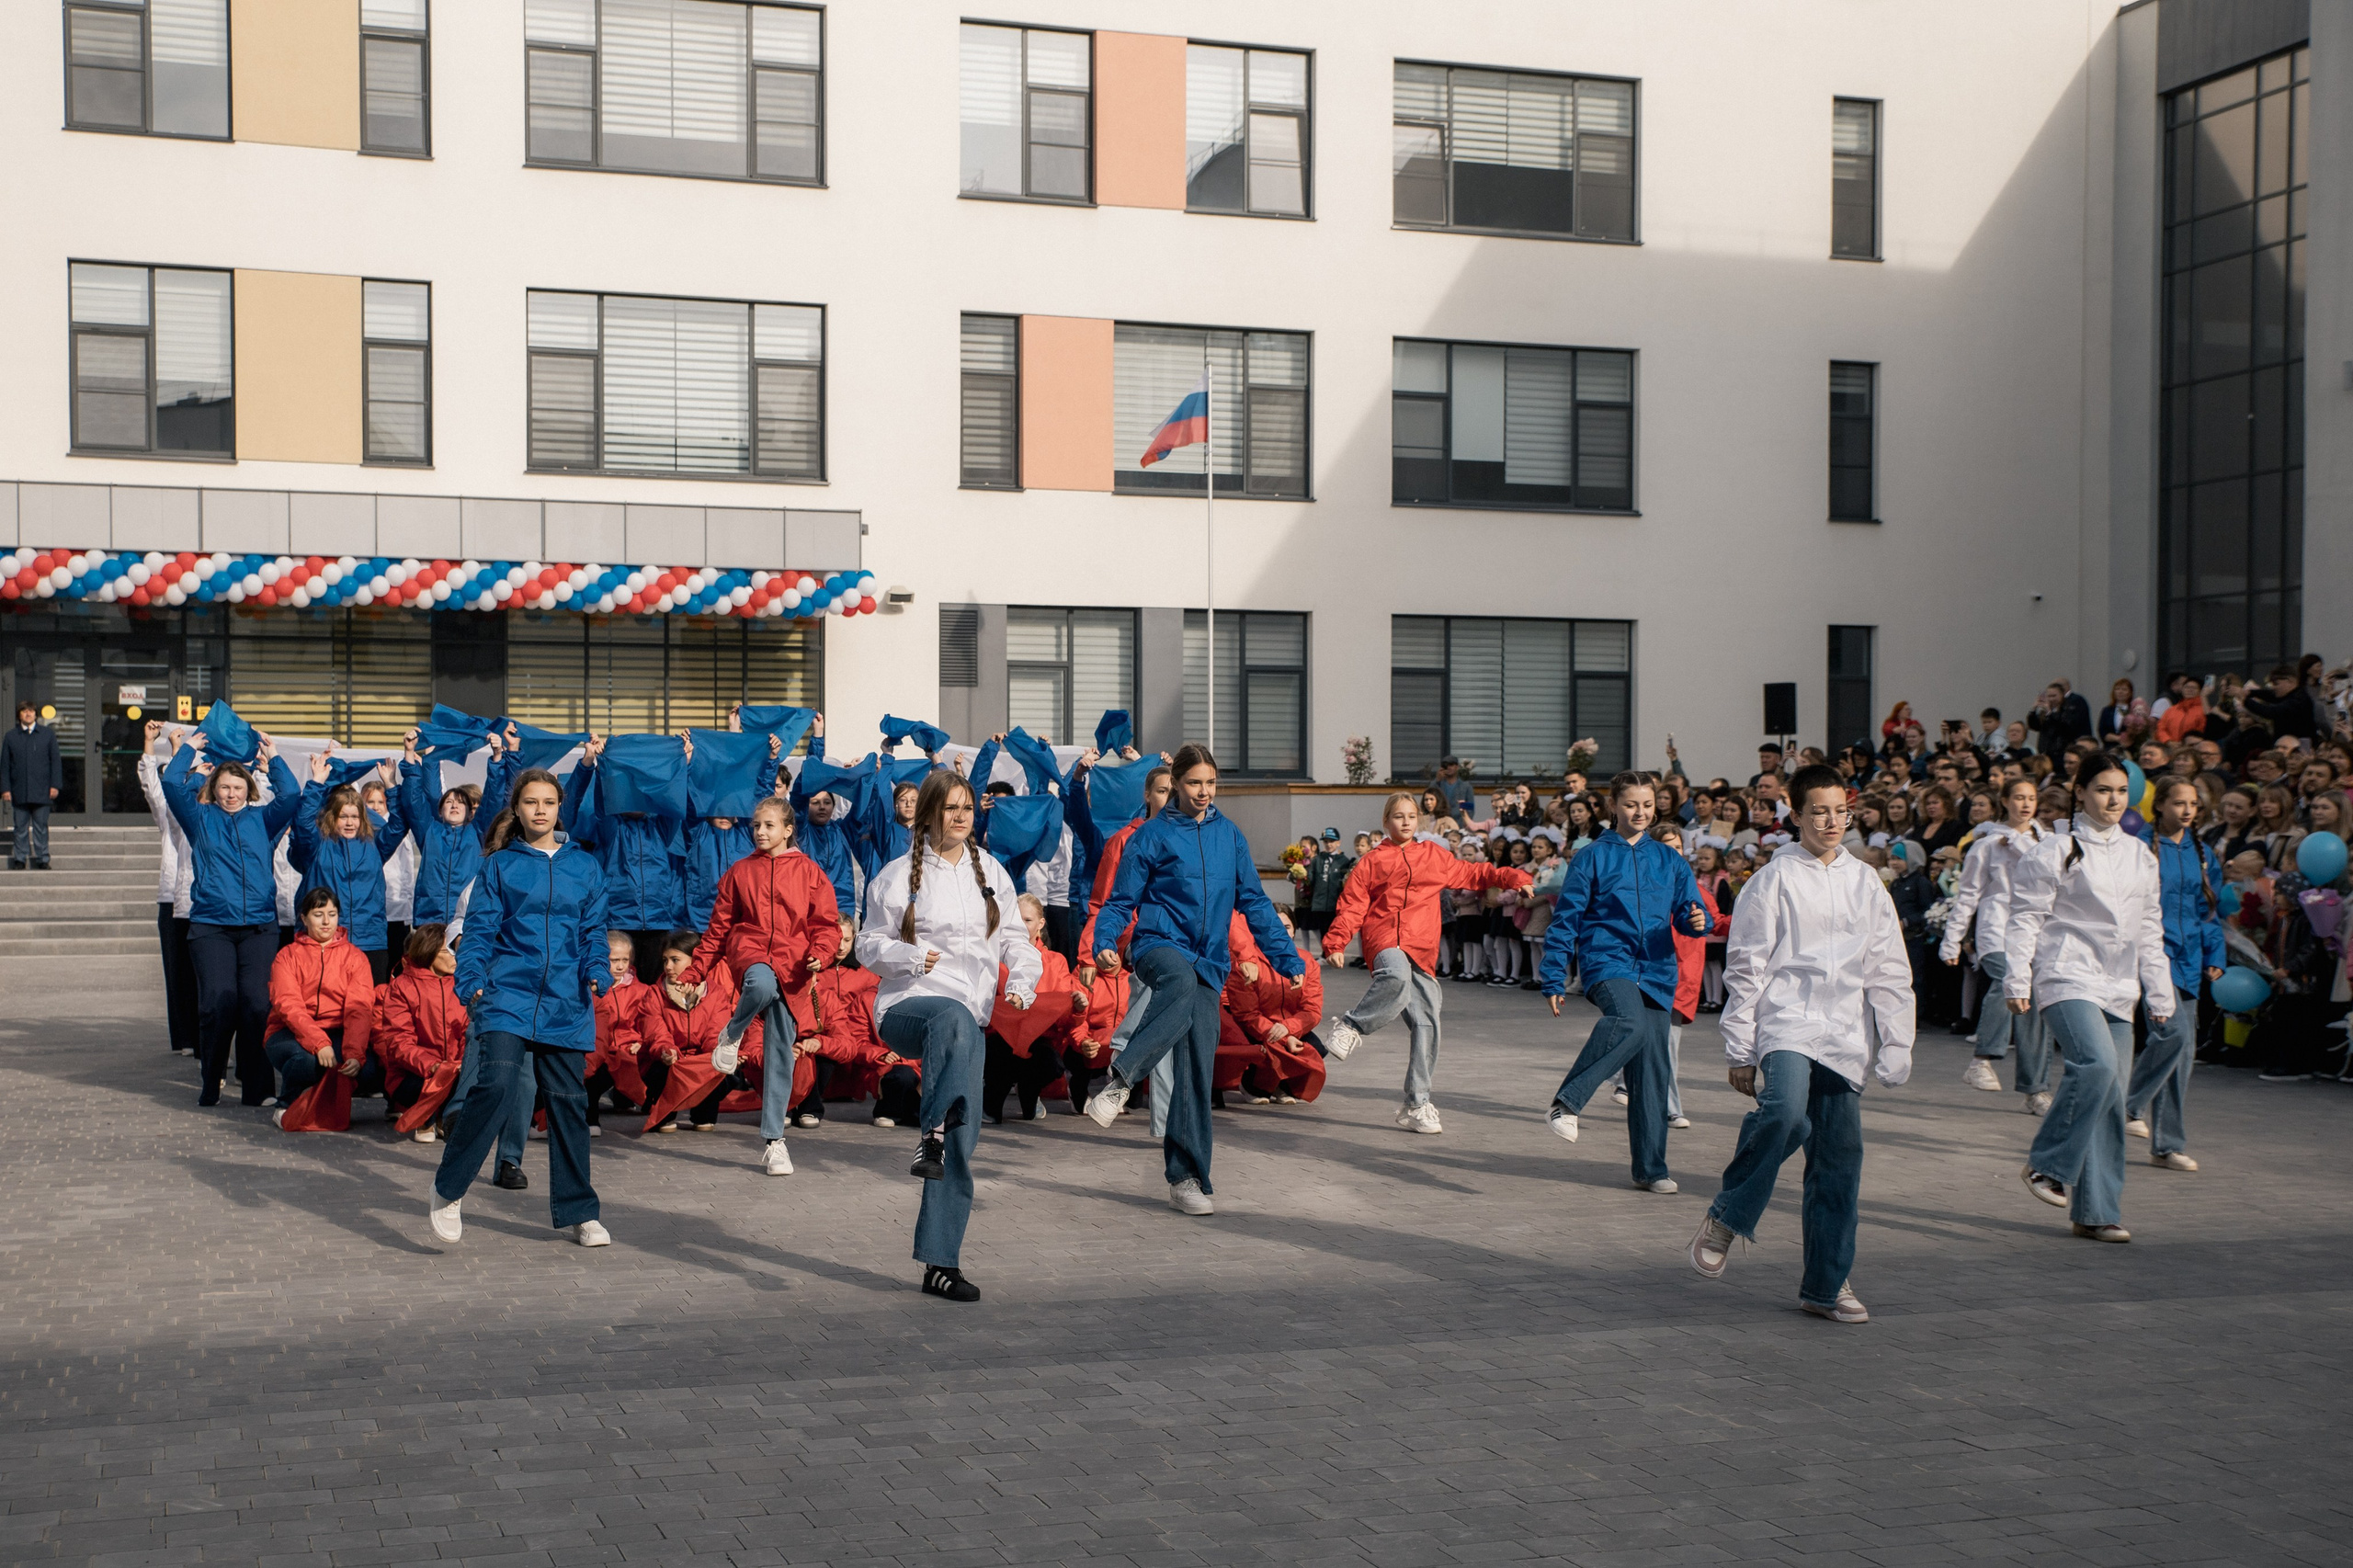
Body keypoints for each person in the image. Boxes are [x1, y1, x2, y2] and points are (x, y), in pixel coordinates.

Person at [1688, 765, 1915, 1324]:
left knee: (1839, 1164)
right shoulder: (1774, 879)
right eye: (1820, 811)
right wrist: (1740, 1045)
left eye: (1841, 810)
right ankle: (1728, 1215)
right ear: (1798, 815)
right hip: (1786, 1022)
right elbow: (1746, 964)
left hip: (1843, 1033)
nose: (1833, 821)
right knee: (1786, 1112)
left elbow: (1888, 965)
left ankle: (1825, 1285)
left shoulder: (1865, 882)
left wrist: (1897, 1039)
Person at [1081, 744, 1304, 1218]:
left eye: (1211, 783)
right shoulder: (1152, 836)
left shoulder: (1230, 836)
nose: (1203, 792)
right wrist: (1103, 941)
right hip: (1157, 946)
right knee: (1177, 982)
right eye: (1194, 783)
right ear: (1176, 785)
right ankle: (1122, 1079)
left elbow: (1255, 903)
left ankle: (1186, 1179)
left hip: (1210, 963)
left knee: (1196, 1069)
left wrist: (1285, 956)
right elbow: (1119, 902)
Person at [856, 768, 1040, 1302]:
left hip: (966, 1030)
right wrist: (911, 956)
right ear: (931, 812)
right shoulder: (895, 876)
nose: (961, 816)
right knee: (953, 1017)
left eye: (967, 808)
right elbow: (866, 944)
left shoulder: (991, 874)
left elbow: (1014, 940)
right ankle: (930, 1129)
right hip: (908, 1008)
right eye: (950, 808)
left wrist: (1024, 982)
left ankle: (941, 1263)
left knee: (960, 1146)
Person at [428, 768, 612, 1248]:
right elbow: (481, 931)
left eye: (548, 803)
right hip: (507, 993)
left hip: (564, 1001)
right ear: (518, 809)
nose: (540, 811)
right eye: (531, 802)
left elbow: (593, 931)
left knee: (570, 1104)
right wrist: (469, 979)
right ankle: (448, 1190)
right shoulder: (498, 866)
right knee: (497, 1084)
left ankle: (580, 1211)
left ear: (559, 807)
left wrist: (598, 968)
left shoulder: (585, 867)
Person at [2006, 753, 2174, 1244]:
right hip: (2066, 975)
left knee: (2110, 1097)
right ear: (2080, 791)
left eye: (2121, 791)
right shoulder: (2055, 848)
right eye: (2103, 789)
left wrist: (2159, 992)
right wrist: (2018, 978)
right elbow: (2025, 918)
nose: (2113, 800)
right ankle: (2048, 1165)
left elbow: (2149, 929)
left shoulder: (2140, 855)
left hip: (2119, 988)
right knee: (2096, 1067)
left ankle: (2096, 1212)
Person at [1538, 770, 1711, 1194]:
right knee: (1628, 1022)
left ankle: (1651, 1169)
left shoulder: (1671, 860)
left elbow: (1689, 917)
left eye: (1648, 805)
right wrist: (1554, 975)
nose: (1641, 812)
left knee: (1652, 1068)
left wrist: (1696, 922)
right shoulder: (1592, 856)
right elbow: (1567, 919)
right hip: (1606, 960)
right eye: (1632, 804)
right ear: (1613, 805)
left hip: (1656, 969)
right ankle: (1566, 1103)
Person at [1320, 790, 1530, 1133]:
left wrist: (1512, 877)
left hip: (1423, 945)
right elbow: (1353, 903)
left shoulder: (1434, 855)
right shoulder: (1372, 861)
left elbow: (1474, 874)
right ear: (1386, 822)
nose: (1405, 822)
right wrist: (1337, 941)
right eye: (1398, 816)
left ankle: (1417, 1103)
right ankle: (1351, 1026)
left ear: (1418, 821)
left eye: (1411, 816)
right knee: (1397, 978)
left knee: (1427, 1025)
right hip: (1385, 937)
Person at [681, 795, 841, 1173]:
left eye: (769, 825)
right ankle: (733, 1032)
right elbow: (718, 931)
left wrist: (822, 951)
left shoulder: (810, 872)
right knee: (760, 983)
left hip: (797, 966)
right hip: (751, 953)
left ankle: (775, 1141)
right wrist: (695, 972)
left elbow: (826, 924)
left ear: (788, 830)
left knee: (780, 1054)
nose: (760, 832)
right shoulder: (739, 871)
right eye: (756, 825)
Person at [164, 729, 303, 1107]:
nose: (231, 793)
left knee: (258, 1006)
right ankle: (211, 1080)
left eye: (237, 787)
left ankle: (258, 1090)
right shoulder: (199, 818)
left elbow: (291, 795)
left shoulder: (264, 820)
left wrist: (273, 756)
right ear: (213, 790)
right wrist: (189, 748)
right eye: (224, 787)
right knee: (218, 1004)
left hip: (259, 927)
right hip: (212, 927)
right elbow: (172, 783)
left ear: (248, 790)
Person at [2125, 778, 2226, 1173]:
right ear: (2160, 805)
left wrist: (2215, 952)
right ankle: (2130, 1106)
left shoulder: (2203, 854)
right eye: (2179, 803)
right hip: (2153, 955)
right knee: (2174, 1035)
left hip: (2189, 959)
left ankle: (2167, 1145)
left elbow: (2210, 910)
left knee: (2183, 1054)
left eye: (2194, 805)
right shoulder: (2140, 848)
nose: (2187, 810)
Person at [1941, 775, 2049, 1101]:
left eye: (2031, 798)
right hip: (1996, 930)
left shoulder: (2046, 843)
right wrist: (1953, 939)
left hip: (2033, 933)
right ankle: (1981, 1060)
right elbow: (1968, 895)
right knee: (2006, 981)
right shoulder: (1986, 845)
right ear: (2005, 801)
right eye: (2018, 797)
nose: (2025, 804)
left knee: (2031, 1005)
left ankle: (2036, 1089)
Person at [264, 887, 383, 1131]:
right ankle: (286, 1104)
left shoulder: (355, 957)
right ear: (304, 918)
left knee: (368, 1069)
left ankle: (326, 1102)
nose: (327, 921)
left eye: (332, 913)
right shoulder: (287, 956)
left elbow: (359, 1010)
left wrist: (354, 1053)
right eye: (318, 914)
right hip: (288, 1032)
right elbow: (289, 1006)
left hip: (339, 1032)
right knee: (306, 1060)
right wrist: (319, 1042)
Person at [290, 753, 408, 984]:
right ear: (331, 817)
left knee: (370, 1007)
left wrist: (391, 786)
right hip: (325, 940)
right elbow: (302, 823)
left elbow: (399, 824)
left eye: (355, 816)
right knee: (326, 1008)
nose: (350, 822)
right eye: (343, 816)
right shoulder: (317, 846)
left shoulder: (375, 845)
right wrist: (316, 783)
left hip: (370, 940)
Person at [983, 894, 1089, 1122]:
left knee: (1049, 1063)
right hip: (1000, 1039)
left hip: (1040, 1039)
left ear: (1041, 924)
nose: (1021, 926)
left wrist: (1077, 1008)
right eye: (1017, 919)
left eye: (1028, 920)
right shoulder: (994, 959)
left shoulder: (1056, 961)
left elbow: (1063, 1018)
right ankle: (991, 1102)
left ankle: (1029, 1094)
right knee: (1000, 1057)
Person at [1220, 907, 1326, 1104]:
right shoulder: (1247, 961)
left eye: (1287, 926)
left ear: (1294, 930)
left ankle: (1282, 1085)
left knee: (1316, 1048)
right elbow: (1246, 1014)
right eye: (1274, 926)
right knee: (1267, 1048)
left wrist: (1289, 1028)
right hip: (1254, 1027)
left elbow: (1312, 1009)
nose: (1281, 932)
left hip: (1289, 1025)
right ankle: (1252, 1085)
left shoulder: (1307, 961)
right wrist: (1282, 1036)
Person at [136, 722, 199, 1055]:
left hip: (207, 900)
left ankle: (207, 1038)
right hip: (173, 897)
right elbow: (152, 786)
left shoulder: (212, 810)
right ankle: (186, 1037)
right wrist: (150, 744)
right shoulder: (169, 812)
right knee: (178, 972)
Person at [377, 923, 469, 1142]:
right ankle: (426, 1115)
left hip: (455, 1069)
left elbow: (469, 1031)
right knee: (429, 1081)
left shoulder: (463, 983)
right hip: (416, 1074)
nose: (455, 957)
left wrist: (462, 1062)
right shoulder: (402, 986)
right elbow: (399, 1042)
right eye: (449, 950)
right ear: (429, 952)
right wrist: (433, 1065)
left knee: (470, 1076)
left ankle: (443, 1115)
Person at [2, 698, 62, 869]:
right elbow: (4, 765)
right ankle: (20, 859)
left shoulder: (47, 735)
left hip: (42, 790)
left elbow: (55, 762)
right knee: (20, 827)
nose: (28, 714)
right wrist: (5, 788)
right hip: (19, 789)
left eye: (31, 711)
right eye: (24, 711)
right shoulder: (11, 736)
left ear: (36, 714)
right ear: (19, 715)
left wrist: (55, 785)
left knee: (41, 827)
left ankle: (42, 858)